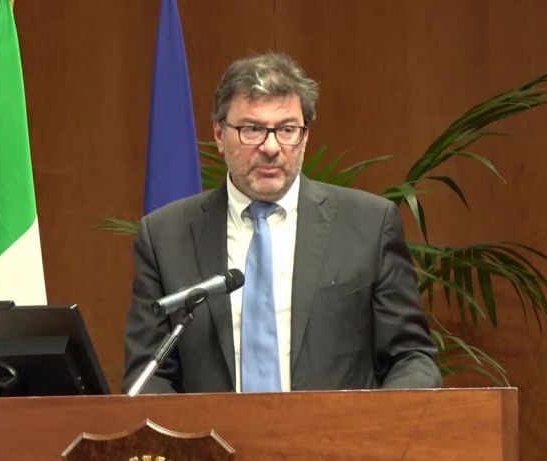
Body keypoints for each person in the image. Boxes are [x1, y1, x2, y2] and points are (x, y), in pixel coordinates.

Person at [122, 52, 442, 394]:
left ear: (305, 136)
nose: (271, 147)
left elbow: (411, 357)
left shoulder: (369, 225)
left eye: (287, 130)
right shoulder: (166, 236)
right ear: (219, 134)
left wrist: (374, 422)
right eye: (252, 129)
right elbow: (149, 375)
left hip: (338, 429)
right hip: (210, 430)